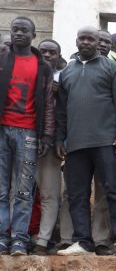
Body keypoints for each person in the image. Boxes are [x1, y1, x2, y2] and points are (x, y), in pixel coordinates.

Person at [54, 26, 116, 256]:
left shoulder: (111, 68)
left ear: (98, 43)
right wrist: (60, 138)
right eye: (83, 38)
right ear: (76, 41)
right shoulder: (67, 72)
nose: (86, 42)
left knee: (114, 190)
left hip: (106, 141)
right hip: (75, 144)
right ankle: (82, 242)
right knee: (77, 194)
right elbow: (61, 111)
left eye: (91, 39)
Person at [0, 16, 54, 256]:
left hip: (29, 134)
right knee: (1, 190)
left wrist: (47, 136)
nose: (19, 33)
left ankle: (19, 239)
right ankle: (2, 238)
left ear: (34, 35)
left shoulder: (43, 66)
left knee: (23, 191)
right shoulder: (2, 59)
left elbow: (49, 104)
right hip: (2, 131)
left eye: (24, 30)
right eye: (15, 29)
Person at [32, 39, 63, 254]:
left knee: (49, 193)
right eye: (43, 51)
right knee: (19, 193)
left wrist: (60, 93)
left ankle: (42, 241)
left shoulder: (64, 79)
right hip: (24, 141)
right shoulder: (28, 74)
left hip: (51, 145)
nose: (48, 55)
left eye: (52, 52)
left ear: (58, 56)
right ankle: (18, 236)